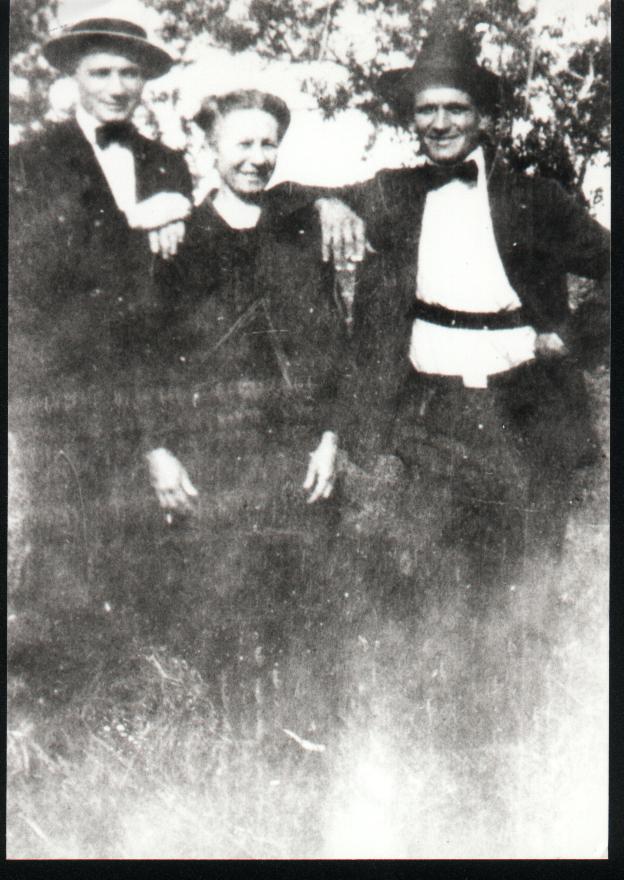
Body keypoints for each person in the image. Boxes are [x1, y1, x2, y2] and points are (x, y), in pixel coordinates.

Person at [316, 28, 610, 607]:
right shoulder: (392, 192)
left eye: (456, 108)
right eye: (426, 110)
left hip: (525, 405)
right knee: (438, 589)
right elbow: (285, 195)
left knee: (527, 585)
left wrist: (576, 336)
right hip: (433, 413)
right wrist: (328, 203)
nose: (440, 123)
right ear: (411, 118)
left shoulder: (536, 199)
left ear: (483, 118)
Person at [141, 90, 362, 713]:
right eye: (243, 143)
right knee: (223, 613)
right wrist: (158, 449)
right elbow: (149, 355)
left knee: (308, 613)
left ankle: (304, 736)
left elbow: (332, 344)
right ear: (210, 148)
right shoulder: (180, 239)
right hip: (212, 451)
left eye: (269, 143)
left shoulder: (301, 232)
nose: (257, 158)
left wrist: (330, 439)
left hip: (299, 450)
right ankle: (231, 739)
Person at [9, 18, 194, 608]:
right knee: (64, 538)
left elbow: (173, 286)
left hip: (143, 374)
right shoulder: (29, 161)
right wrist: (139, 221)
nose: (117, 87)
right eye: (101, 72)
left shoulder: (168, 165)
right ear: (74, 76)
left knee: (138, 540)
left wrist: (178, 215)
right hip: (62, 377)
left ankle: (131, 657)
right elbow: (42, 268)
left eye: (129, 73)